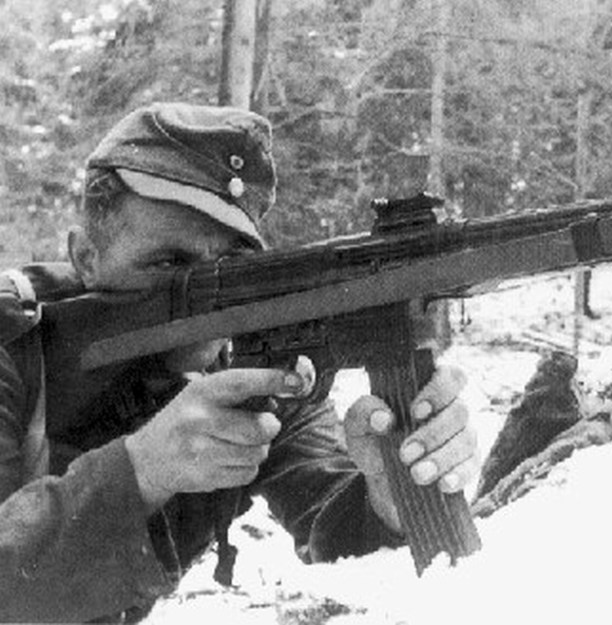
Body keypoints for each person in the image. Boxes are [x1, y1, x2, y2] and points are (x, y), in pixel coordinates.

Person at [0, 103, 479, 622]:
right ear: (85, 257)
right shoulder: (12, 344)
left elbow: (329, 522)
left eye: (230, 266)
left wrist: (386, 498)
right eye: (169, 264)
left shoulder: (253, 363)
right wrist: (140, 470)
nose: (209, 295)